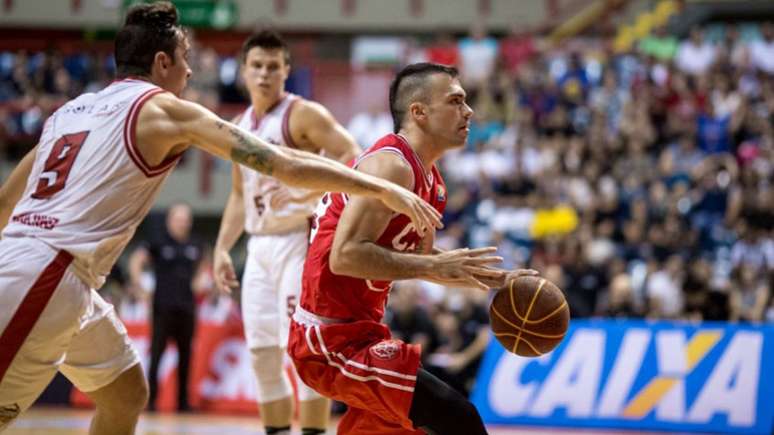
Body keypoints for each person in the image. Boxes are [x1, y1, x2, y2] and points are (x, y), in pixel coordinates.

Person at [0, 4, 440, 434]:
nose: (191, 71)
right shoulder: (165, 109)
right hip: (48, 273)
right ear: (162, 62)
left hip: (50, 269)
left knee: (125, 391)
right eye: (187, 58)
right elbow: (284, 164)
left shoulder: (69, 112)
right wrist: (381, 186)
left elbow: (5, 203)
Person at [287, 62, 536, 435]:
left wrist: (493, 279)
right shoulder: (391, 166)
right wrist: (432, 269)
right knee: (458, 419)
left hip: (362, 334)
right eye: (456, 101)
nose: (468, 111)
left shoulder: (433, 182)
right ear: (418, 112)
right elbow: (345, 256)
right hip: (326, 342)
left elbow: (420, 260)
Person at [213, 30, 359, 435]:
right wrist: (222, 248)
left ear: (286, 71)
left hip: (299, 241)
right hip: (258, 247)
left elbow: (353, 155)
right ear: (243, 71)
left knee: (305, 354)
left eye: (272, 67)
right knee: (261, 355)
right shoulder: (238, 126)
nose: (263, 74)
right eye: (256, 66)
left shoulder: (302, 114)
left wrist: (309, 188)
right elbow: (239, 196)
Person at [128, 203, 204, 412]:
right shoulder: (158, 241)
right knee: (157, 354)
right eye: (179, 219)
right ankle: (151, 401)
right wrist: (139, 287)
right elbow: (136, 260)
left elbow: (204, 265)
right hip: (162, 308)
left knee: (186, 355)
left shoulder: (195, 243)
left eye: (186, 220)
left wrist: (200, 280)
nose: (183, 223)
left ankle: (183, 403)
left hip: (187, 308)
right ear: (170, 220)